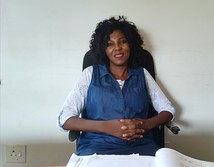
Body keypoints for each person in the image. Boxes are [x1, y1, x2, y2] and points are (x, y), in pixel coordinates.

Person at [58, 16, 175, 156]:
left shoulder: (141, 74)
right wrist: (107, 127)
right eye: (110, 44)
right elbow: (65, 119)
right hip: (97, 147)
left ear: (131, 44)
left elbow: (168, 109)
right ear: (103, 49)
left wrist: (146, 124)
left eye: (123, 41)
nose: (117, 48)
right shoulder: (89, 74)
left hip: (140, 146)